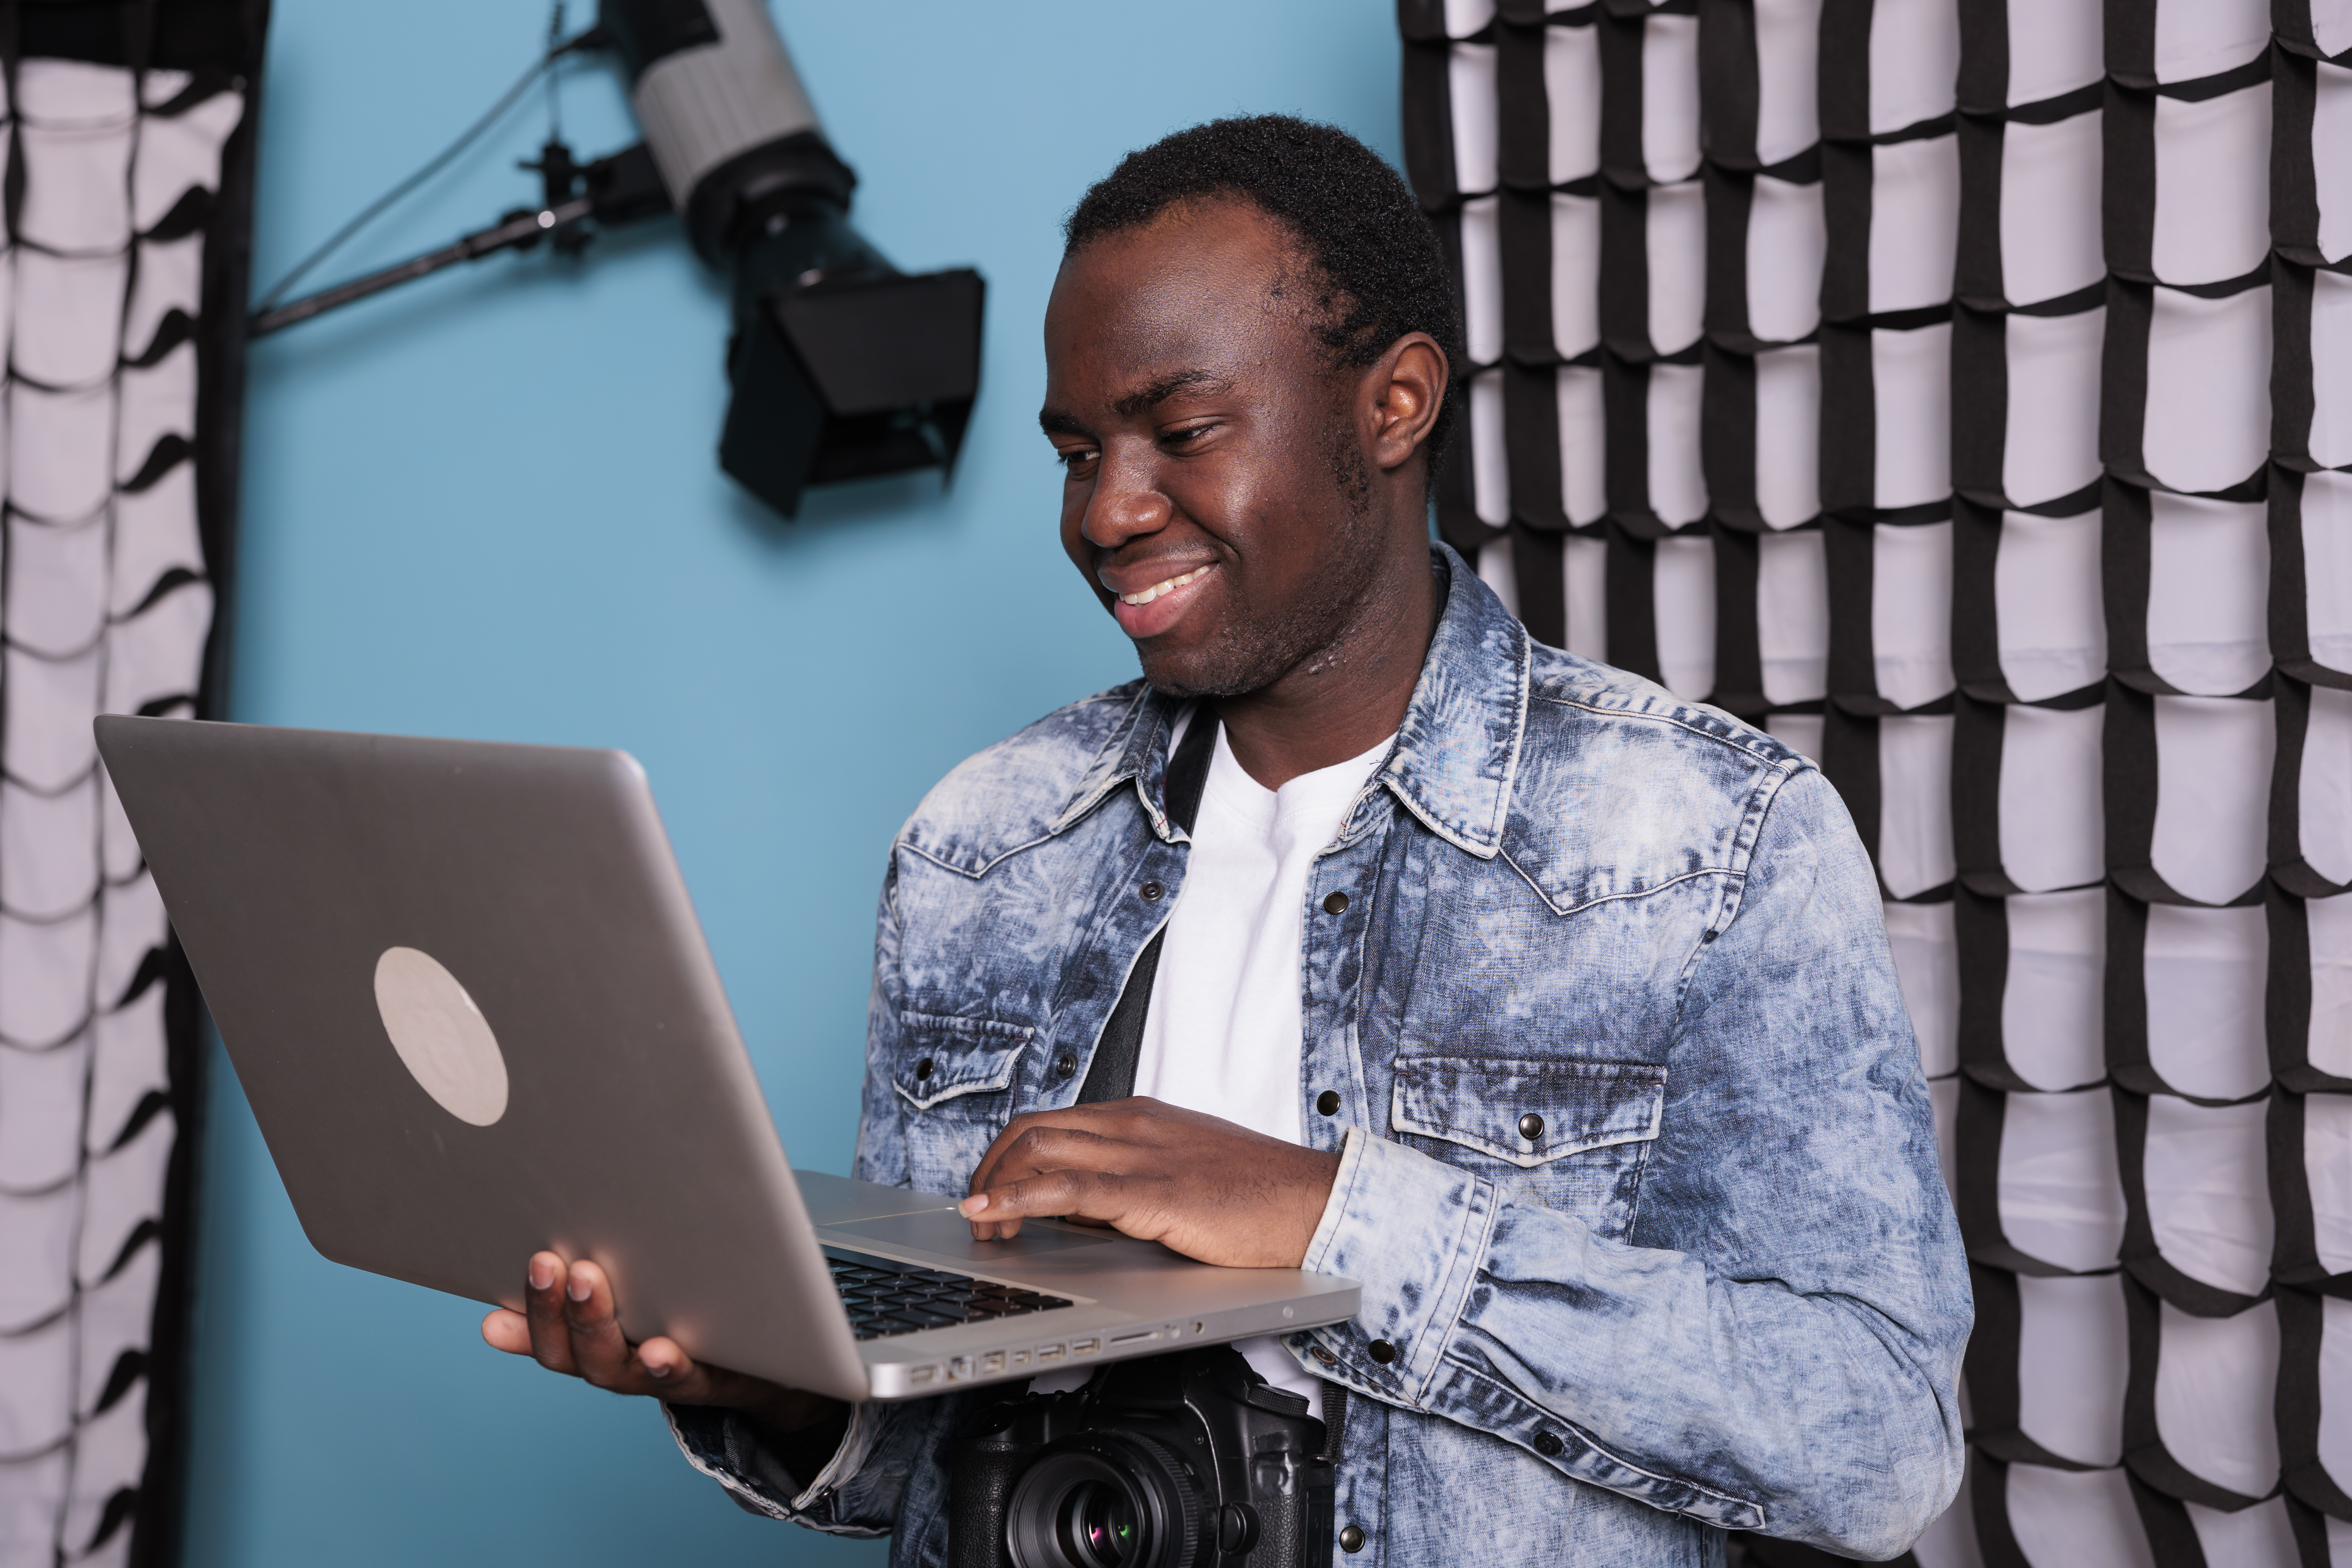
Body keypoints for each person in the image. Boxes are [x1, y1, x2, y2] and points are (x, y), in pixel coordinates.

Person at [482, 115, 1972, 1565]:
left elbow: (1877, 1442)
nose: (1109, 512)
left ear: (1393, 405)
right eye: (1077, 449)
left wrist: (1336, 1221)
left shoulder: (1709, 844)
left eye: (1181, 432)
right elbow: (933, 1449)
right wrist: (762, 1379)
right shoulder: (981, 844)